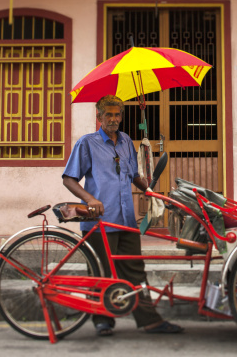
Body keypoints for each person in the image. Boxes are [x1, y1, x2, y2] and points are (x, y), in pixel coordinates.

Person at [62, 95, 183, 337]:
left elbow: (131, 174)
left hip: (126, 219)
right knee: (102, 271)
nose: (114, 119)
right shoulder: (87, 143)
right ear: (99, 117)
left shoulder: (127, 140)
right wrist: (90, 199)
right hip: (99, 221)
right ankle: (102, 320)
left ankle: (149, 319)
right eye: (109, 115)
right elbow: (69, 178)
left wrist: (149, 190)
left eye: (118, 115)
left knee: (135, 270)